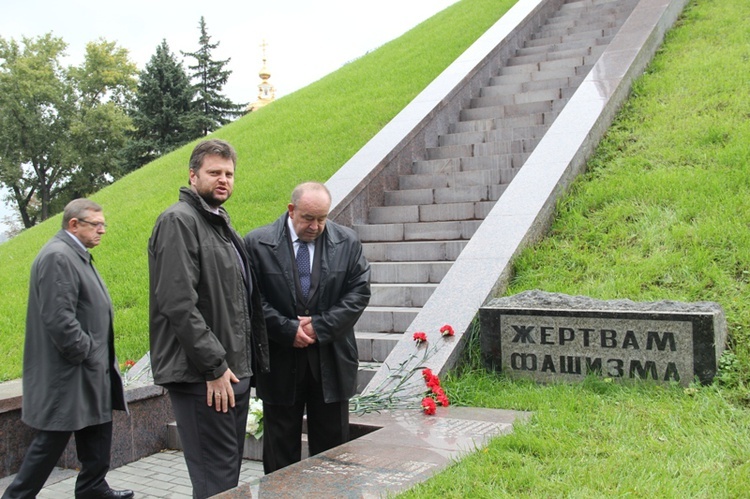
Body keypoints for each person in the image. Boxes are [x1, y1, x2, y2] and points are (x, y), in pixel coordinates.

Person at [148, 139, 269, 499]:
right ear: (192, 175)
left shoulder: (219, 224)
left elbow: (237, 303)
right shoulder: (178, 221)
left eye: (229, 174)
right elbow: (178, 303)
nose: (223, 180)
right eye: (214, 172)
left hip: (231, 374)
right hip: (204, 378)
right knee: (214, 480)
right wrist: (214, 367)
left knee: (226, 477)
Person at [2, 199, 132, 499]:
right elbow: (59, 318)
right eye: (95, 225)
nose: (102, 230)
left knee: (98, 428)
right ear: (74, 224)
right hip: (70, 371)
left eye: (104, 225)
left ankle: (93, 488)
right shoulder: (58, 256)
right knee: (51, 440)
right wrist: (87, 352)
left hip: (89, 367)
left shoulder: (76, 254)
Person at [244, 181, 370, 474]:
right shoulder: (257, 243)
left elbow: (359, 292)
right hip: (279, 361)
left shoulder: (347, 242)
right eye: (308, 218)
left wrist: (320, 326)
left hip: (331, 359)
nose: (315, 226)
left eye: (322, 219)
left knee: (333, 453)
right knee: (279, 451)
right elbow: (251, 298)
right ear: (291, 210)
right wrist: (286, 329)